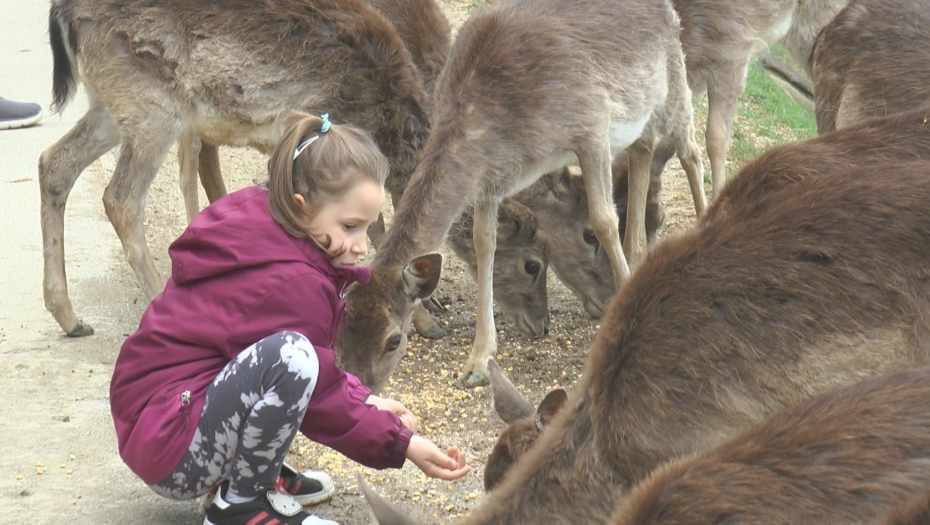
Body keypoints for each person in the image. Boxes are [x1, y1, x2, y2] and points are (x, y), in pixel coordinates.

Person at [109, 112, 470, 525]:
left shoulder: (264, 227)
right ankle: (242, 504)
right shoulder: (294, 282)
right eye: (350, 227)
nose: (360, 246)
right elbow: (317, 394)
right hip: (174, 446)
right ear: (302, 207)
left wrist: (366, 398)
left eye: (367, 229)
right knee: (292, 358)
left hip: (159, 420)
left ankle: (251, 476)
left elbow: (283, 367)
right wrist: (402, 444)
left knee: (288, 359)